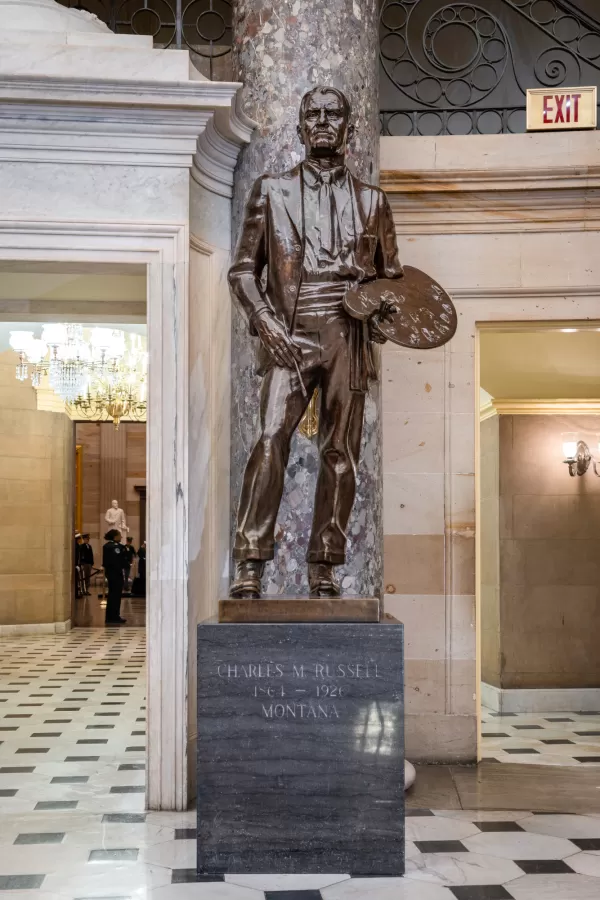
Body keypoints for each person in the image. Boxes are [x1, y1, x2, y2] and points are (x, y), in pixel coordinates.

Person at [228, 85, 403, 599]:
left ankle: (324, 562)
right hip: (290, 327)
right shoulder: (270, 191)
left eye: (334, 115)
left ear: (349, 129)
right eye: (313, 114)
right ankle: (249, 562)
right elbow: (241, 272)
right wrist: (266, 323)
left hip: (348, 332)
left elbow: (392, 280)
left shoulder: (374, 201)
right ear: (301, 127)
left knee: (341, 451)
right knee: (267, 440)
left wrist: (385, 310)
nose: (323, 121)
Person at [102, 529, 127, 625]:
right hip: (115, 573)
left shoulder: (107, 546)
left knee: (113, 595)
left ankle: (111, 616)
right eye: (119, 535)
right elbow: (118, 560)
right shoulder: (115, 547)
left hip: (111, 573)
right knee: (115, 596)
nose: (121, 537)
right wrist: (126, 564)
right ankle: (114, 616)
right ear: (115, 536)